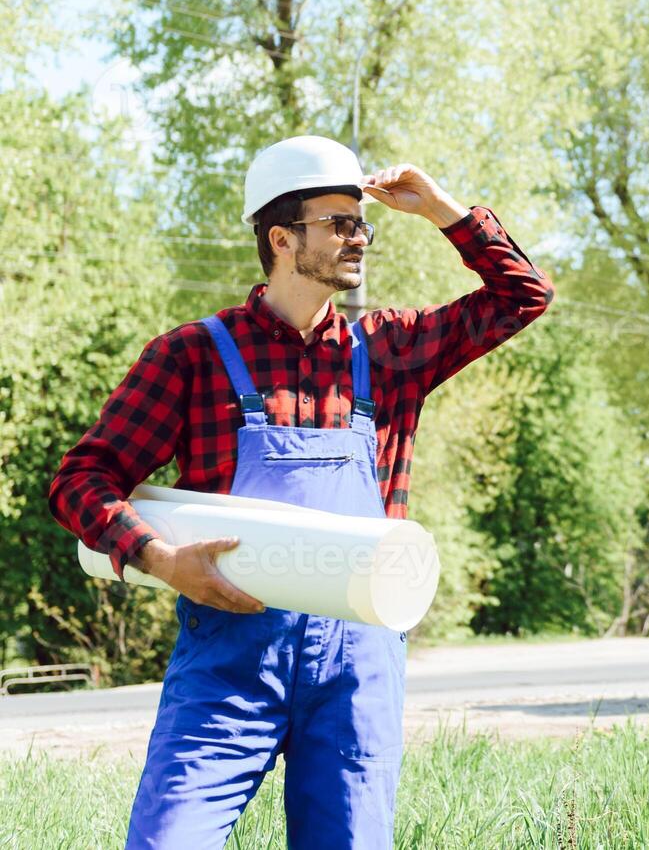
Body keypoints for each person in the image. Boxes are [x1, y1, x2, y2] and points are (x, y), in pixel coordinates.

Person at [48, 135, 554, 848]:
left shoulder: (390, 351)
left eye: (362, 223)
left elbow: (522, 295)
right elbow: (81, 480)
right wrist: (160, 559)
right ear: (282, 239)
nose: (359, 238)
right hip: (228, 661)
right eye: (339, 224)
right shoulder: (192, 356)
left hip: (357, 666)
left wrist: (442, 211)